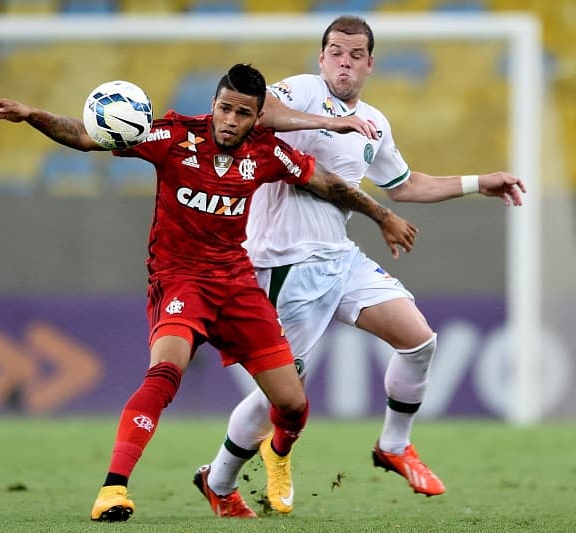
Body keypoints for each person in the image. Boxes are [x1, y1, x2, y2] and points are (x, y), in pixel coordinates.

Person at [0, 63, 418, 522]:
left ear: (256, 117)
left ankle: (265, 463)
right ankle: (113, 489)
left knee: (292, 404)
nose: (230, 120)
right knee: (166, 372)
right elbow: (88, 136)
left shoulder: (268, 152)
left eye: (242, 113)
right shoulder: (171, 136)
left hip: (237, 284)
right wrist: (31, 114)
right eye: (225, 108)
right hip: (180, 279)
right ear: (213, 105)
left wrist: (382, 216)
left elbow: (325, 182)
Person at [195, 16, 527, 517]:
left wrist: (479, 182)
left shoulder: (374, 122)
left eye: (354, 55)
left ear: (370, 64)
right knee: (283, 397)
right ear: (321, 56)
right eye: (335, 52)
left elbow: (404, 184)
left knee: (419, 340)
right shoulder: (304, 92)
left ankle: (393, 445)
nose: (343, 63)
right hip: (283, 264)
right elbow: (259, 114)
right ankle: (217, 479)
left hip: (338, 257)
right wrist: (331, 122)